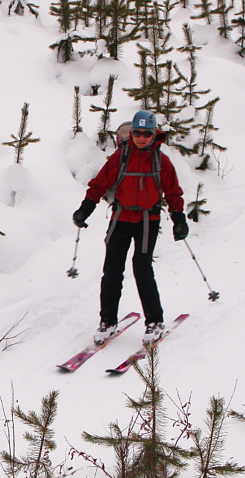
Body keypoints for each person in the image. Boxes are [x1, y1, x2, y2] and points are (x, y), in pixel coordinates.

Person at [72, 110, 188, 345]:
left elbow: (173, 191)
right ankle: (108, 321)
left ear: (155, 134)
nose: (142, 137)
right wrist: (85, 208)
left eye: (147, 133)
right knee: (112, 271)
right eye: (138, 132)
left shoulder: (161, 161)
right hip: (121, 218)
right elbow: (99, 185)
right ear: (131, 133)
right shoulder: (120, 157)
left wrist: (179, 219)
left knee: (142, 269)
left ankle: (154, 321)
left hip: (148, 220)